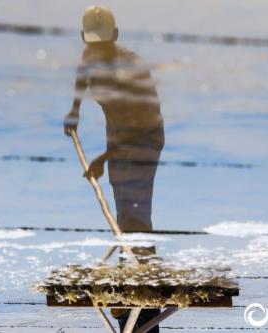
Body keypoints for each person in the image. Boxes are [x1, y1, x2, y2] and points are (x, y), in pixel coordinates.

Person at [63, 5, 164, 332]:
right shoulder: (91, 53)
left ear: (116, 37)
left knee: (135, 210)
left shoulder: (131, 70)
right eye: (92, 43)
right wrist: (74, 110)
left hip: (144, 138)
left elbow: (136, 125)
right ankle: (133, 268)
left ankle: (142, 281)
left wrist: (103, 160)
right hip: (117, 135)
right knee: (124, 209)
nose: (97, 49)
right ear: (84, 39)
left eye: (103, 44)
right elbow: (82, 72)